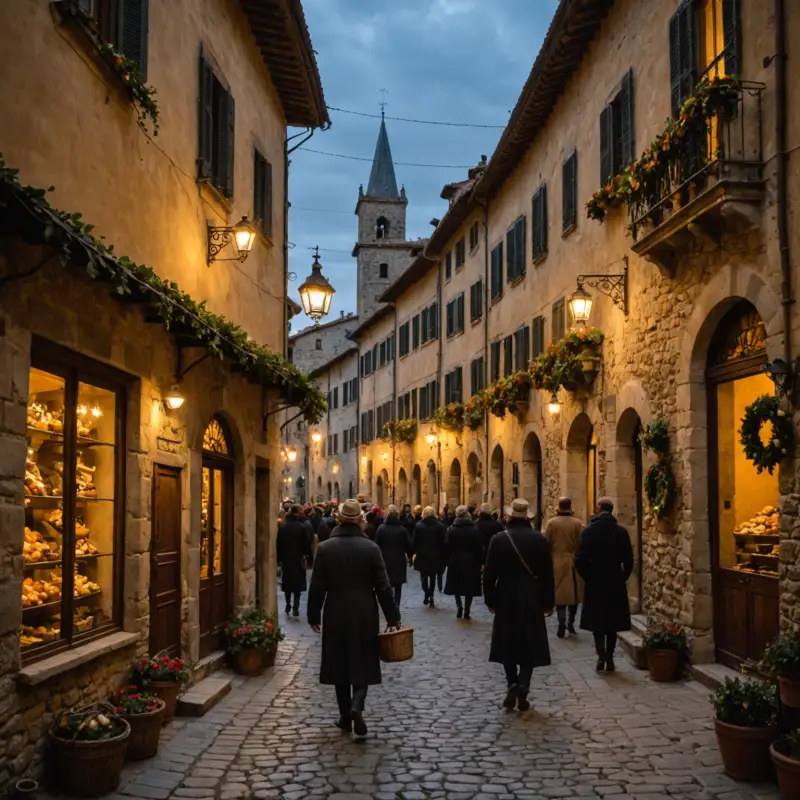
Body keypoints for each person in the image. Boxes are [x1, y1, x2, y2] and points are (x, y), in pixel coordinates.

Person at [308, 499, 400, 739]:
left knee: (339, 663)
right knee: (364, 658)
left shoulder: (326, 548)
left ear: (338, 519)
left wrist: (312, 614)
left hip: (336, 609)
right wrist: (393, 617)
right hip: (364, 611)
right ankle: (357, 705)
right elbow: (383, 586)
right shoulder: (370, 548)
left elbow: (317, 586)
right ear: (359, 519)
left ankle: (344, 717)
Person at [484, 498, 554, 712]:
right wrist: (548, 601)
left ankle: (512, 682)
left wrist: (490, 599)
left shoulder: (498, 540)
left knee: (508, 641)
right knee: (529, 642)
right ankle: (523, 683)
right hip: (531, 597)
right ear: (528, 517)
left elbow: (488, 575)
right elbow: (547, 575)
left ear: (510, 516)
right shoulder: (539, 540)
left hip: (506, 596)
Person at [575, 497, 634, 673]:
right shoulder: (621, 532)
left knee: (597, 621)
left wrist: (588, 576)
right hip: (615, 580)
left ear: (597, 509)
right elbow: (629, 559)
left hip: (595, 581)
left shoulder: (588, 532)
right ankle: (609, 655)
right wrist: (623, 576)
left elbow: (579, 559)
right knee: (612, 621)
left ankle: (601, 654)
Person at [544, 497, 584, 638]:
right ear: (570, 506)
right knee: (573, 595)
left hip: (557, 561)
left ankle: (561, 621)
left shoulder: (552, 523)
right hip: (573, 561)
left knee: (559, 593)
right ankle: (570, 622)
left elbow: (546, 542)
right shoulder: (578, 523)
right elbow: (582, 543)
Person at [444, 505, 484, 620]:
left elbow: (447, 546)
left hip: (455, 560)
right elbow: (478, 547)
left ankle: (459, 606)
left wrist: (447, 559)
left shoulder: (451, 529)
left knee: (456, 584)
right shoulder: (474, 529)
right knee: (469, 586)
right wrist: (481, 561)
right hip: (471, 560)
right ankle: (467, 609)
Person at [276, 503, 313, 616]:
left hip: (286, 559)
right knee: (297, 584)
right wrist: (307, 555)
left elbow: (279, 544)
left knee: (287, 583)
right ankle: (296, 607)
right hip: (298, 559)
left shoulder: (282, 527)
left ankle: (288, 604)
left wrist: (279, 559)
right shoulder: (301, 527)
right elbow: (306, 544)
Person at [375, 505, 413, 607]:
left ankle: (389, 604)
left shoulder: (381, 529)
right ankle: (396, 604)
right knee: (398, 585)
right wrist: (410, 557)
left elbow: (376, 545)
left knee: (387, 583)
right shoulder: (402, 530)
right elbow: (408, 546)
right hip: (399, 560)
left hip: (384, 559)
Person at [412, 506, 446, 607]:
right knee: (432, 576)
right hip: (435, 554)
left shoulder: (419, 525)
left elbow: (414, 541)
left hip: (422, 554)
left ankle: (426, 592)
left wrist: (413, 552)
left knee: (423, 575)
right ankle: (431, 594)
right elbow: (444, 542)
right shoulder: (440, 526)